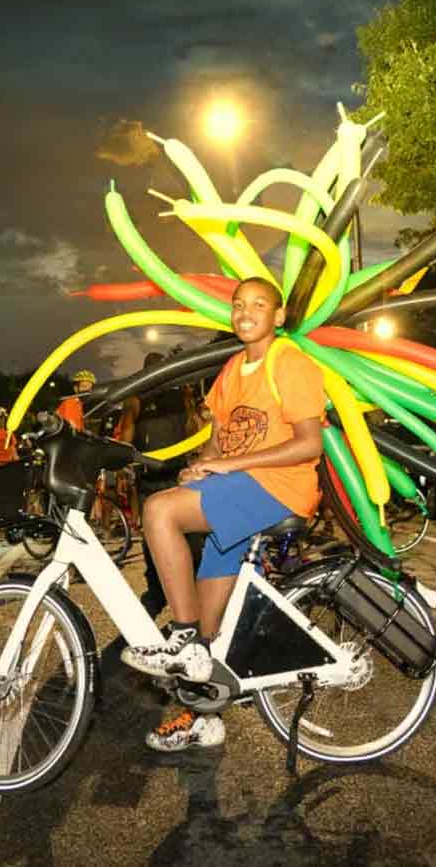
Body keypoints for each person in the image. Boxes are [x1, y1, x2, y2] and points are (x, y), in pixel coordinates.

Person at [121, 277, 325, 752]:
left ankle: (182, 639)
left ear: (278, 316)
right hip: (241, 487)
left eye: (259, 304)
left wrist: (227, 464)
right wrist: (201, 466)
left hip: (277, 488)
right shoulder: (234, 368)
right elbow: (221, 437)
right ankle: (203, 717)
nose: (246, 311)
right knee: (213, 630)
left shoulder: (289, 362)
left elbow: (309, 443)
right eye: (238, 304)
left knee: (158, 512)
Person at [126, 352, 205, 617]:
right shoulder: (137, 398)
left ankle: (195, 606)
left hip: (177, 477)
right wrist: (126, 457)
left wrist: (188, 398)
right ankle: (156, 598)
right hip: (150, 480)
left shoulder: (179, 396)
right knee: (154, 548)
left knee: (192, 544)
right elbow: (126, 429)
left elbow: (195, 430)